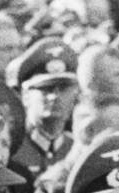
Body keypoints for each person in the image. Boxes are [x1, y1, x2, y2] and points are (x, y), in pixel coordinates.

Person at [10, 37, 78, 181]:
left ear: (75, 94)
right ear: (26, 96)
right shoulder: (9, 150)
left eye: (64, 88)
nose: (54, 96)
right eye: (45, 89)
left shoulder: (76, 149)